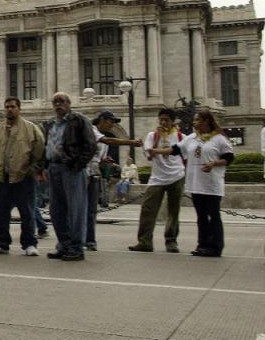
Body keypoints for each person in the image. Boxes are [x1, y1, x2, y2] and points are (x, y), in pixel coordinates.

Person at [151, 110, 233, 257]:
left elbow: (229, 157)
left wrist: (214, 163)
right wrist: (154, 151)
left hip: (212, 185)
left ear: (206, 121)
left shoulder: (219, 138)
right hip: (196, 184)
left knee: (213, 216)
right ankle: (202, 245)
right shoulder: (192, 138)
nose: (194, 123)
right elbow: (174, 150)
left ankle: (215, 247)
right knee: (201, 216)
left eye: (197, 120)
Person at [0, 97, 45, 256]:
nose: (9, 109)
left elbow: (40, 152)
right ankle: (1, 243)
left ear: (19, 109)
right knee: (0, 212)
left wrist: (32, 170)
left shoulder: (31, 129)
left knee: (27, 212)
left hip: (23, 177)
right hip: (1, 178)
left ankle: (29, 244)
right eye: (7, 107)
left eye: (12, 107)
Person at [42, 92, 97, 261]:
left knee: (76, 209)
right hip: (54, 168)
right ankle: (63, 245)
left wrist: (77, 165)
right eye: (55, 102)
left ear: (69, 103)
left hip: (71, 169)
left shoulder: (79, 120)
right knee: (56, 210)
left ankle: (76, 247)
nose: (58, 104)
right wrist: (44, 166)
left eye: (62, 101)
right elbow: (47, 145)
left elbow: (90, 145)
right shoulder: (50, 124)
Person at [85, 110, 142, 251]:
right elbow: (107, 140)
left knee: (91, 210)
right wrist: (131, 142)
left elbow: (99, 158)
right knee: (79, 208)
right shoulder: (91, 130)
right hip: (82, 174)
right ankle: (76, 238)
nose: (112, 126)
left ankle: (90, 241)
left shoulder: (104, 141)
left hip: (94, 175)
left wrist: (105, 161)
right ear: (103, 120)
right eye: (111, 122)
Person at [131, 109, 185, 252]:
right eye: (160, 119)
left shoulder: (180, 137)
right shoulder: (152, 135)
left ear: (173, 121)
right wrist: (157, 139)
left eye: (166, 119)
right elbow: (149, 156)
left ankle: (171, 241)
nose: (163, 122)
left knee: (173, 211)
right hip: (157, 178)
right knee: (148, 209)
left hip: (177, 176)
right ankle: (145, 241)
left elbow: (185, 156)